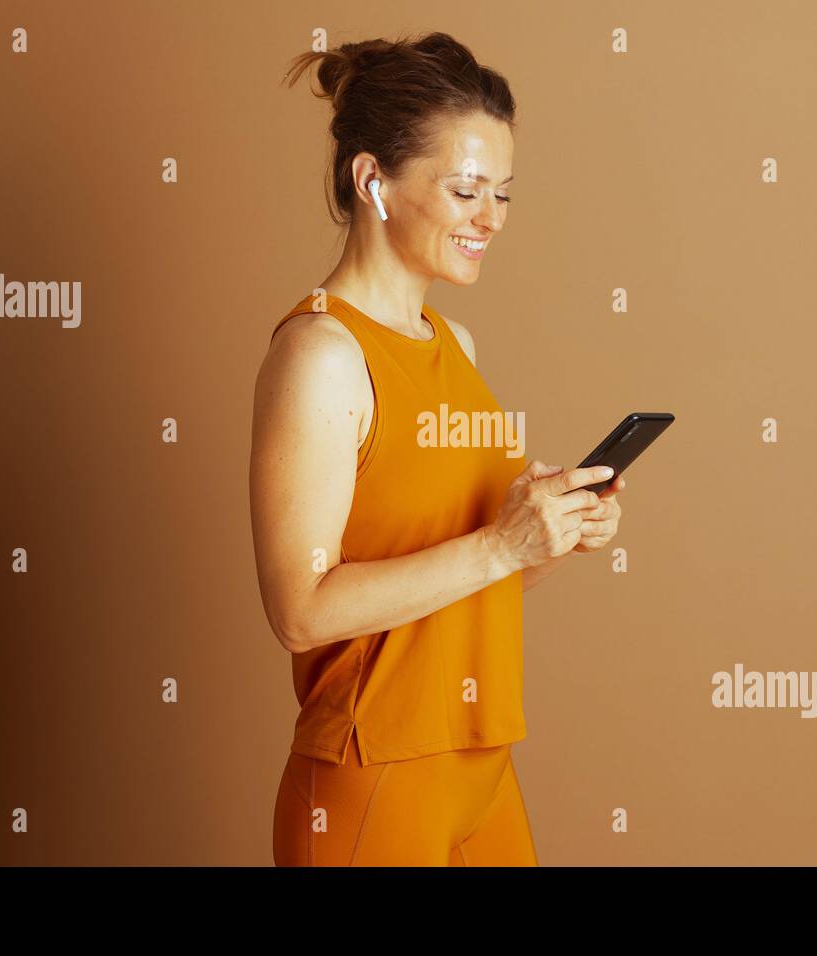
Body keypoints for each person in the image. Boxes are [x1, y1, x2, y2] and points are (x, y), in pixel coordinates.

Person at [250, 32, 625, 866]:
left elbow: (463, 581)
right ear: (372, 181)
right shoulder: (321, 356)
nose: (491, 217)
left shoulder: (454, 342)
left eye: (503, 192)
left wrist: (550, 536)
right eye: (465, 190)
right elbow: (300, 611)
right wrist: (500, 544)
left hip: (481, 766)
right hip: (374, 777)